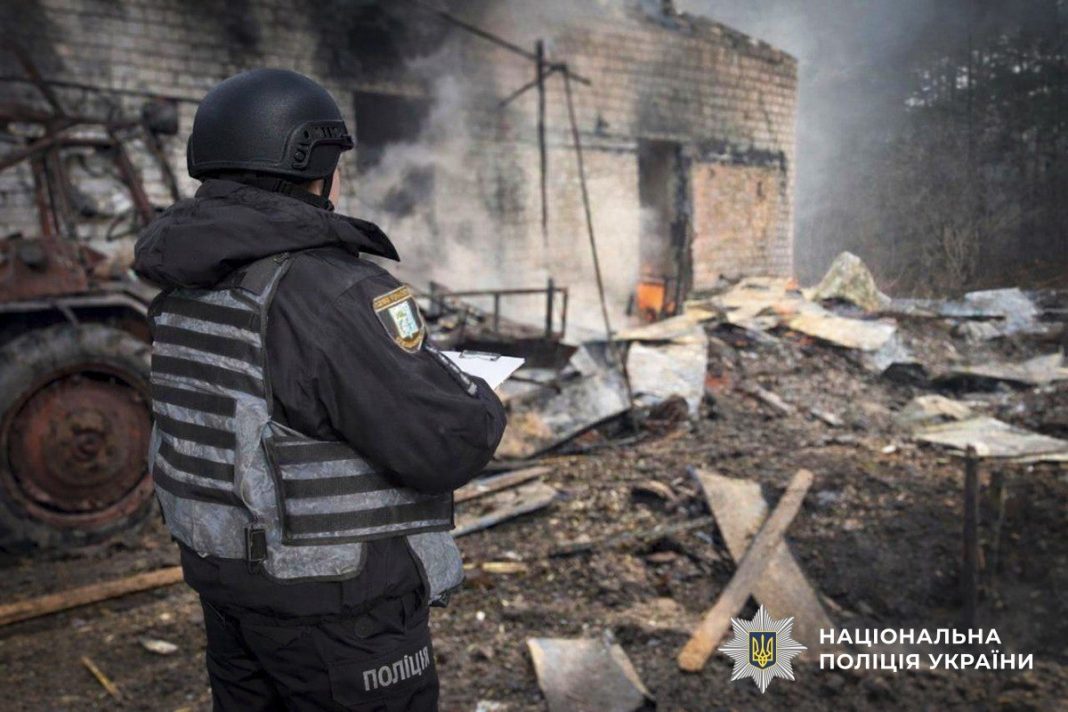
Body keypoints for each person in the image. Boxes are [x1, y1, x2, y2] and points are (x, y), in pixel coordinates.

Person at [134, 68, 507, 712]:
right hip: (338, 606)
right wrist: (474, 395)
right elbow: (442, 444)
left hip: (228, 588)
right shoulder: (334, 291)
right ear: (320, 169)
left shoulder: (183, 286)